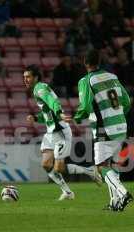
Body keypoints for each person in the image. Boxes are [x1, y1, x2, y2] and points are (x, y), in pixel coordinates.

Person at [23, 65, 102, 201]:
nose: (26, 79)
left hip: (60, 131)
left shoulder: (40, 88)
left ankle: (90, 171)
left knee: (59, 167)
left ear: (36, 77)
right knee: (46, 164)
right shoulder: (38, 89)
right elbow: (48, 112)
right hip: (51, 132)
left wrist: (59, 112)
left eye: (28, 76)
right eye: (24, 77)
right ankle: (68, 192)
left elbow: (53, 102)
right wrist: (36, 118)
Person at [69, 50, 133, 211]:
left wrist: (76, 118)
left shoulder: (86, 81)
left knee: (101, 167)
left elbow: (85, 106)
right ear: (100, 61)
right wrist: (117, 115)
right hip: (121, 126)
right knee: (110, 164)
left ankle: (123, 193)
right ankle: (114, 203)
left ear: (85, 62)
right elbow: (126, 101)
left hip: (104, 128)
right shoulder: (112, 77)